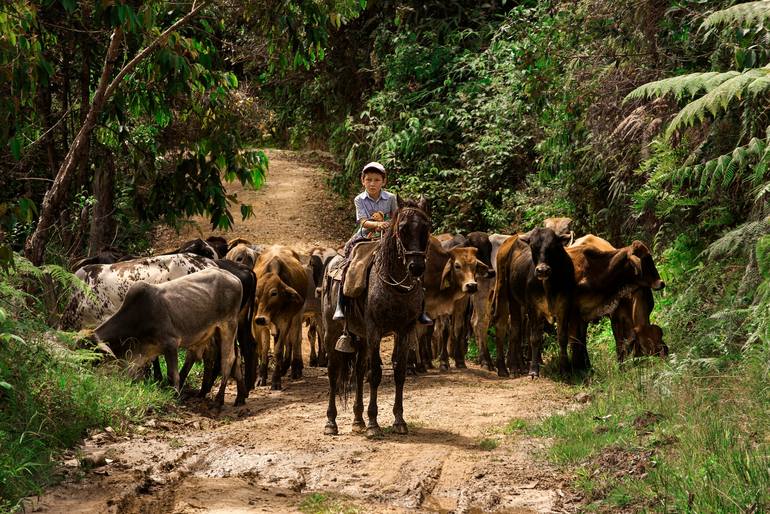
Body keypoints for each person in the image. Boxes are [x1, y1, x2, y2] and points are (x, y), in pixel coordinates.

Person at [333, 162, 432, 353]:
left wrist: (389, 225)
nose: (372, 183)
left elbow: (399, 219)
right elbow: (362, 221)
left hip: (389, 239)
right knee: (349, 263)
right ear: (363, 181)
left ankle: (419, 310)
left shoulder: (392, 198)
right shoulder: (359, 199)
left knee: (412, 265)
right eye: (368, 179)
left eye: (377, 180)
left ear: (383, 181)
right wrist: (377, 225)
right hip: (365, 237)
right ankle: (341, 305)